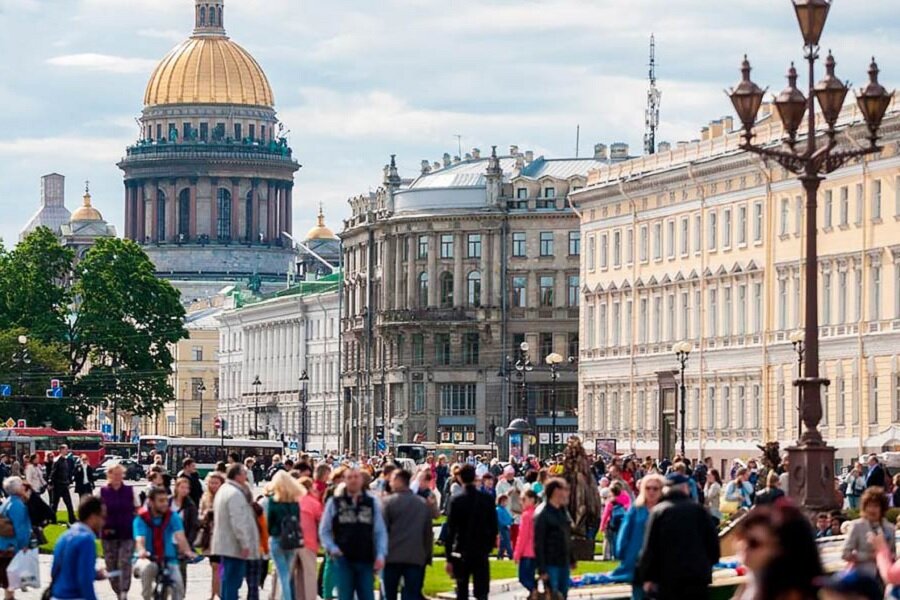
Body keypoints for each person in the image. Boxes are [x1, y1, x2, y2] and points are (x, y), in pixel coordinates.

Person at [637, 473, 720, 600]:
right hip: (697, 577)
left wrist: (648, 577)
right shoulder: (699, 511)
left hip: (668, 578)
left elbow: (650, 548)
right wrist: (708, 565)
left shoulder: (659, 512)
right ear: (685, 488)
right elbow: (713, 545)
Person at [320, 467, 388, 600]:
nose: (353, 480)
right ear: (344, 480)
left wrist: (381, 554)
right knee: (345, 595)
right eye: (349, 477)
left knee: (366, 595)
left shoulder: (371, 502)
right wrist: (332, 548)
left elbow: (380, 531)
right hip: (343, 558)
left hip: (366, 557)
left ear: (361, 480)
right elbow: (324, 530)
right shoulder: (335, 503)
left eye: (356, 477)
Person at [731, 503, 823, 600]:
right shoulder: (748, 587)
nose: (744, 546)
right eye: (741, 537)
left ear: (778, 549)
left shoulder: (790, 594)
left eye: (753, 543)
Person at [600, 473, 665, 599]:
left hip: (661, 566)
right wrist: (623, 554)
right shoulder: (636, 509)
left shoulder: (665, 510)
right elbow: (625, 533)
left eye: (655, 488)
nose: (651, 492)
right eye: (648, 488)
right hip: (637, 563)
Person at [444, 463, 498, 600]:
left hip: (462, 549)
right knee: (481, 591)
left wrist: (449, 556)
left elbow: (451, 529)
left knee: (462, 590)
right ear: (475, 478)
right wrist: (489, 545)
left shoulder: (456, 500)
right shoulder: (486, 499)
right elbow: (493, 525)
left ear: (460, 479)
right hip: (481, 549)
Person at [134, 486, 195, 600]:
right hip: (147, 557)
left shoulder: (172, 516)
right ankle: (146, 596)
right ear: (151, 502)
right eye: (161, 501)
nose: (165, 504)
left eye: (166, 500)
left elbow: (180, 536)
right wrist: (142, 551)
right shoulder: (142, 518)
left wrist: (187, 551)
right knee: (148, 567)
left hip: (168, 558)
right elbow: (140, 539)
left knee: (178, 586)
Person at [381, 468, 433, 600]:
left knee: (389, 594)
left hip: (391, 556)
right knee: (411, 594)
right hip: (415, 556)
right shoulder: (422, 504)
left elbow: (381, 531)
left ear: (399, 481)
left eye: (392, 480)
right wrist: (427, 555)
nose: (390, 483)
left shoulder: (388, 502)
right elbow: (428, 533)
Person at [211, 464, 261, 600]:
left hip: (225, 544)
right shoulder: (235, 494)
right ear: (237, 476)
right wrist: (245, 543)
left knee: (227, 581)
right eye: (245, 474)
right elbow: (238, 521)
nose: (246, 477)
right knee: (233, 581)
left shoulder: (224, 490)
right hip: (234, 546)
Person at [49, 496, 106, 600]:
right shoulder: (86, 540)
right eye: (102, 517)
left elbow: (55, 570)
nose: (103, 522)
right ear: (93, 517)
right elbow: (85, 579)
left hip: (57, 595)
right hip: (74, 595)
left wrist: (93, 573)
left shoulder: (64, 536)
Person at [99, 463, 139, 600]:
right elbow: (96, 513)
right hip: (108, 534)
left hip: (127, 533)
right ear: (109, 475)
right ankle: (117, 590)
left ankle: (124, 591)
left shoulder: (130, 491)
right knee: (111, 565)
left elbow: (138, 510)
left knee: (124, 561)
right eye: (114, 474)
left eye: (120, 474)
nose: (117, 477)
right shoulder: (102, 492)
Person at [534, 477, 575, 599]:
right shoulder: (542, 514)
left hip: (563, 561)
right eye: (564, 490)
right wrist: (541, 569)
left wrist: (571, 558)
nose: (567, 493)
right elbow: (538, 542)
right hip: (550, 562)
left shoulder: (562, 511)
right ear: (556, 492)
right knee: (553, 594)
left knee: (563, 594)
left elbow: (567, 535)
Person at [266, 471, 303, 600]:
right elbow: (299, 520)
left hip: (277, 538)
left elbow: (270, 522)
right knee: (287, 573)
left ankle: (285, 598)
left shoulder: (273, 501)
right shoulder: (295, 502)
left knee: (282, 574)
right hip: (292, 539)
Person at [842, 486, 895, 577]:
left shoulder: (890, 528)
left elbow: (893, 553)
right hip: (862, 576)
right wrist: (869, 556)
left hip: (885, 575)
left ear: (882, 508)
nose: (872, 510)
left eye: (876, 506)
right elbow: (845, 554)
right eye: (869, 506)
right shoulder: (856, 526)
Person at [0, 477, 31, 599]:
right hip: (12, 547)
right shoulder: (18, 505)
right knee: (10, 580)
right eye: (21, 484)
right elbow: (21, 529)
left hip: (3, 545)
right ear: (17, 488)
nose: (24, 486)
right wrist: (24, 545)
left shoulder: (6, 502)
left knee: (8, 581)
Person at [294, 477, 323, 600]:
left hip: (292, 541)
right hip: (309, 542)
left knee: (297, 576)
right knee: (309, 575)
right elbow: (322, 520)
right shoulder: (313, 502)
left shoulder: (292, 501)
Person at [198, 472, 225, 600]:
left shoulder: (225, 496)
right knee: (214, 566)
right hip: (210, 536)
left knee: (219, 566)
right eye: (211, 483)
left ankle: (219, 593)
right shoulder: (205, 497)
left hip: (224, 536)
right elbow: (200, 515)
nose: (213, 485)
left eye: (216, 483)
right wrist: (204, 516)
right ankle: (215, 593)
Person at [171, 477, 199, 593]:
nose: (184, 490)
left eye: (186, 488)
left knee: (181, 571)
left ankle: (180, 595)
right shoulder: (167, 502)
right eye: (182, 487)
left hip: (182, 543)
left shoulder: (190, 506)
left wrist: (188, 542)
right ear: (176, 488)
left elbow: (193, 526)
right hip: (167, 541)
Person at [513, 489, 538, 592]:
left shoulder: (526, 515)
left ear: (532, 500)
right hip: (536, 551)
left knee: (523, 578)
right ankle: (534, 593)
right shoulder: (538, 513)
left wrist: (517, 554)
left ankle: (535, 593)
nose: (521, 502)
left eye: (524, 499)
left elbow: (522, 537)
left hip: (527, 552)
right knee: (530, 577)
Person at [600, 481, 631, 559]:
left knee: (608, 540)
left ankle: (606, 556)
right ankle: (618, 555)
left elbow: (605, 514)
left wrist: (602, 526)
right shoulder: (625, 497)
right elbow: (629, 509)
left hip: (611, 523)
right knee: (619, 539)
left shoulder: (611, 501)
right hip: (622, 522)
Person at [49, 443, 76, 524]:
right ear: (61, 450)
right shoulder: (57, 460)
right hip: (58, 485)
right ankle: (52, 520)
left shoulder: (65, 460)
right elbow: (53, 473)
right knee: (55, 504)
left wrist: (69, 481)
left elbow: (67, 473)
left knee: (69, 503)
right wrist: (51, 483)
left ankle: (72, 519)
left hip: (64, 484)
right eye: (65, 449)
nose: (67, 450)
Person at [496, 494, 514, 559]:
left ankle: (499, 555)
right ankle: (511, 555)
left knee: (503, 544)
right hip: (503, 528)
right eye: (504, 501)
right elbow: (500, 521)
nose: (506, 503)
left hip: (506, 528)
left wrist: (512, 519)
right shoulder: (498, 510)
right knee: (507, 543)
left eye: (506, 501)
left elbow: (508, 517)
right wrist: (508, 523)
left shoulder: (504, 509)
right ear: (501, 501)